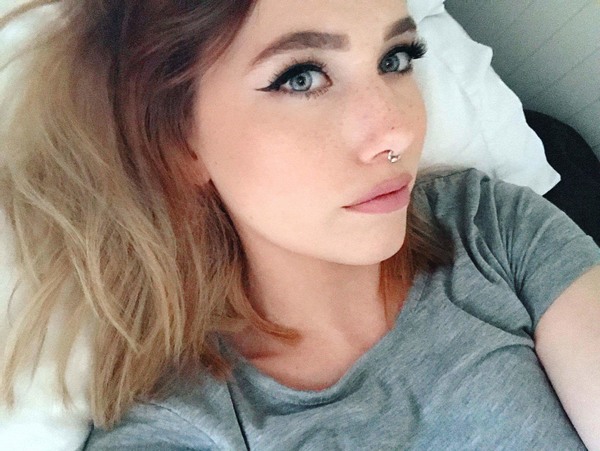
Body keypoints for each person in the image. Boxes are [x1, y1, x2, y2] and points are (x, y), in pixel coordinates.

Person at [1, 0, 599, 449]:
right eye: (302, 77)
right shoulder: (186, 428)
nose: (394, 131)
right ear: (179, 141)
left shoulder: (488, 225)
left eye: (395, 59)